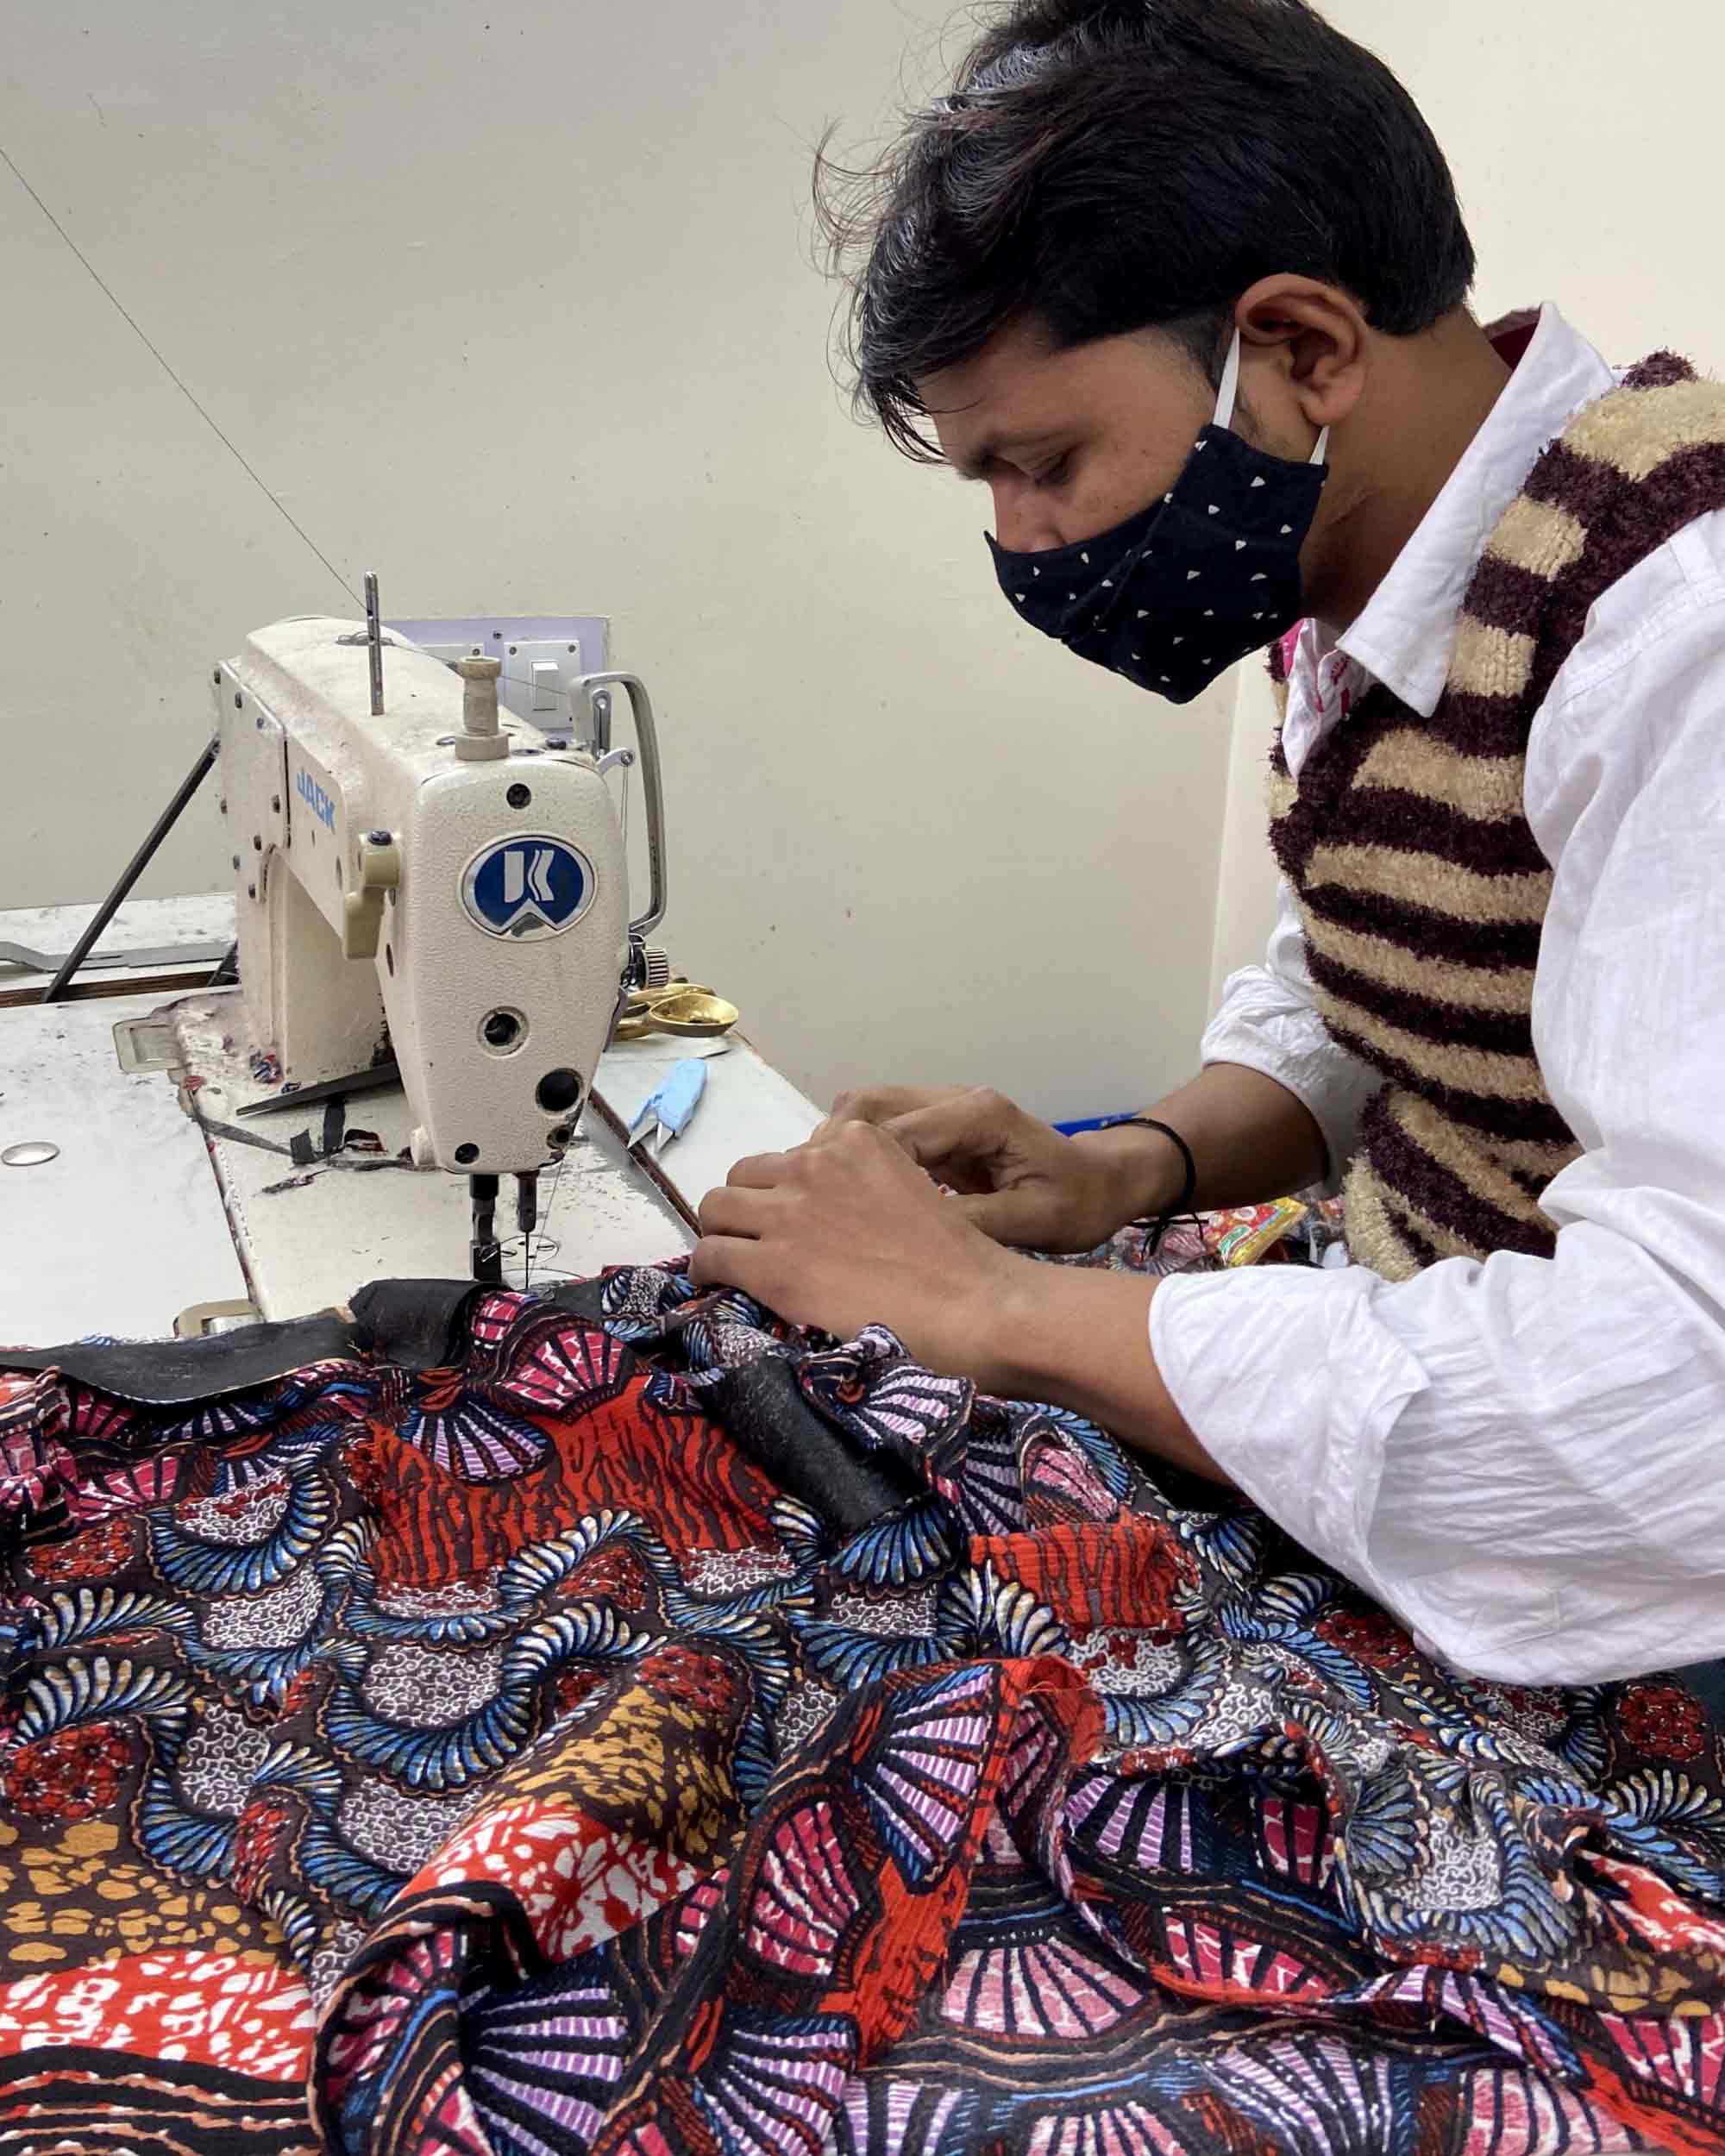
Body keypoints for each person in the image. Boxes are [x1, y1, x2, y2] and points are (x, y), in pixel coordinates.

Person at [692, 0, 1725, 1690]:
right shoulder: (1387, 559)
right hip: (1424, 1336)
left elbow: (1682, 1394)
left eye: (1041, 461)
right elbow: (1372, 976)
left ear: (1305, 349)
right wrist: (1132, 1166)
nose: (1020, 540)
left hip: (1616, 1557)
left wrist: (1001, 1311)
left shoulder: (1675, 628)